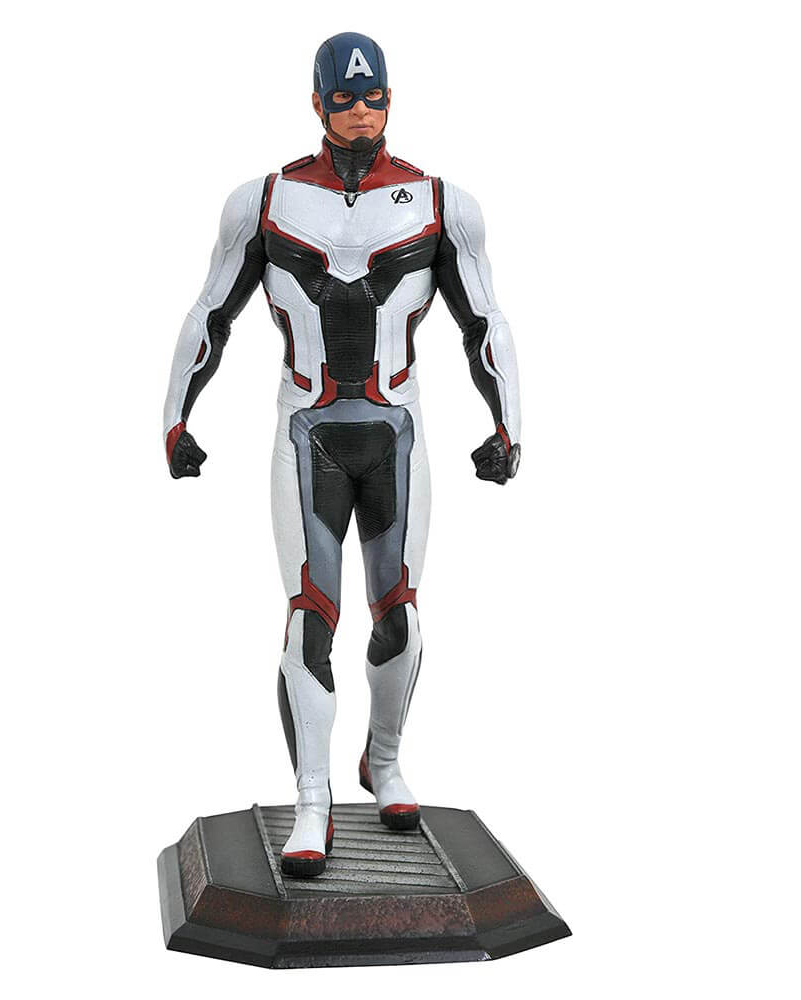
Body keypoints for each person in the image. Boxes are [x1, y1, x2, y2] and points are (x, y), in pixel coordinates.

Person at [163, 32, 521, 878]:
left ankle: (384, 760)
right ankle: (313, 797)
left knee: (400, 613)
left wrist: (509, 424)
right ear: (318, 102)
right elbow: (210, 312)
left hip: (395, 434)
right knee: (309, 614)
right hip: (309, 435)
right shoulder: (265, 201)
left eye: (374, 98)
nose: (361, 112)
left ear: (391, 99)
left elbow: (485, 321)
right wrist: (175, 417)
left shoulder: (442, 202)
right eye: (344, 99)